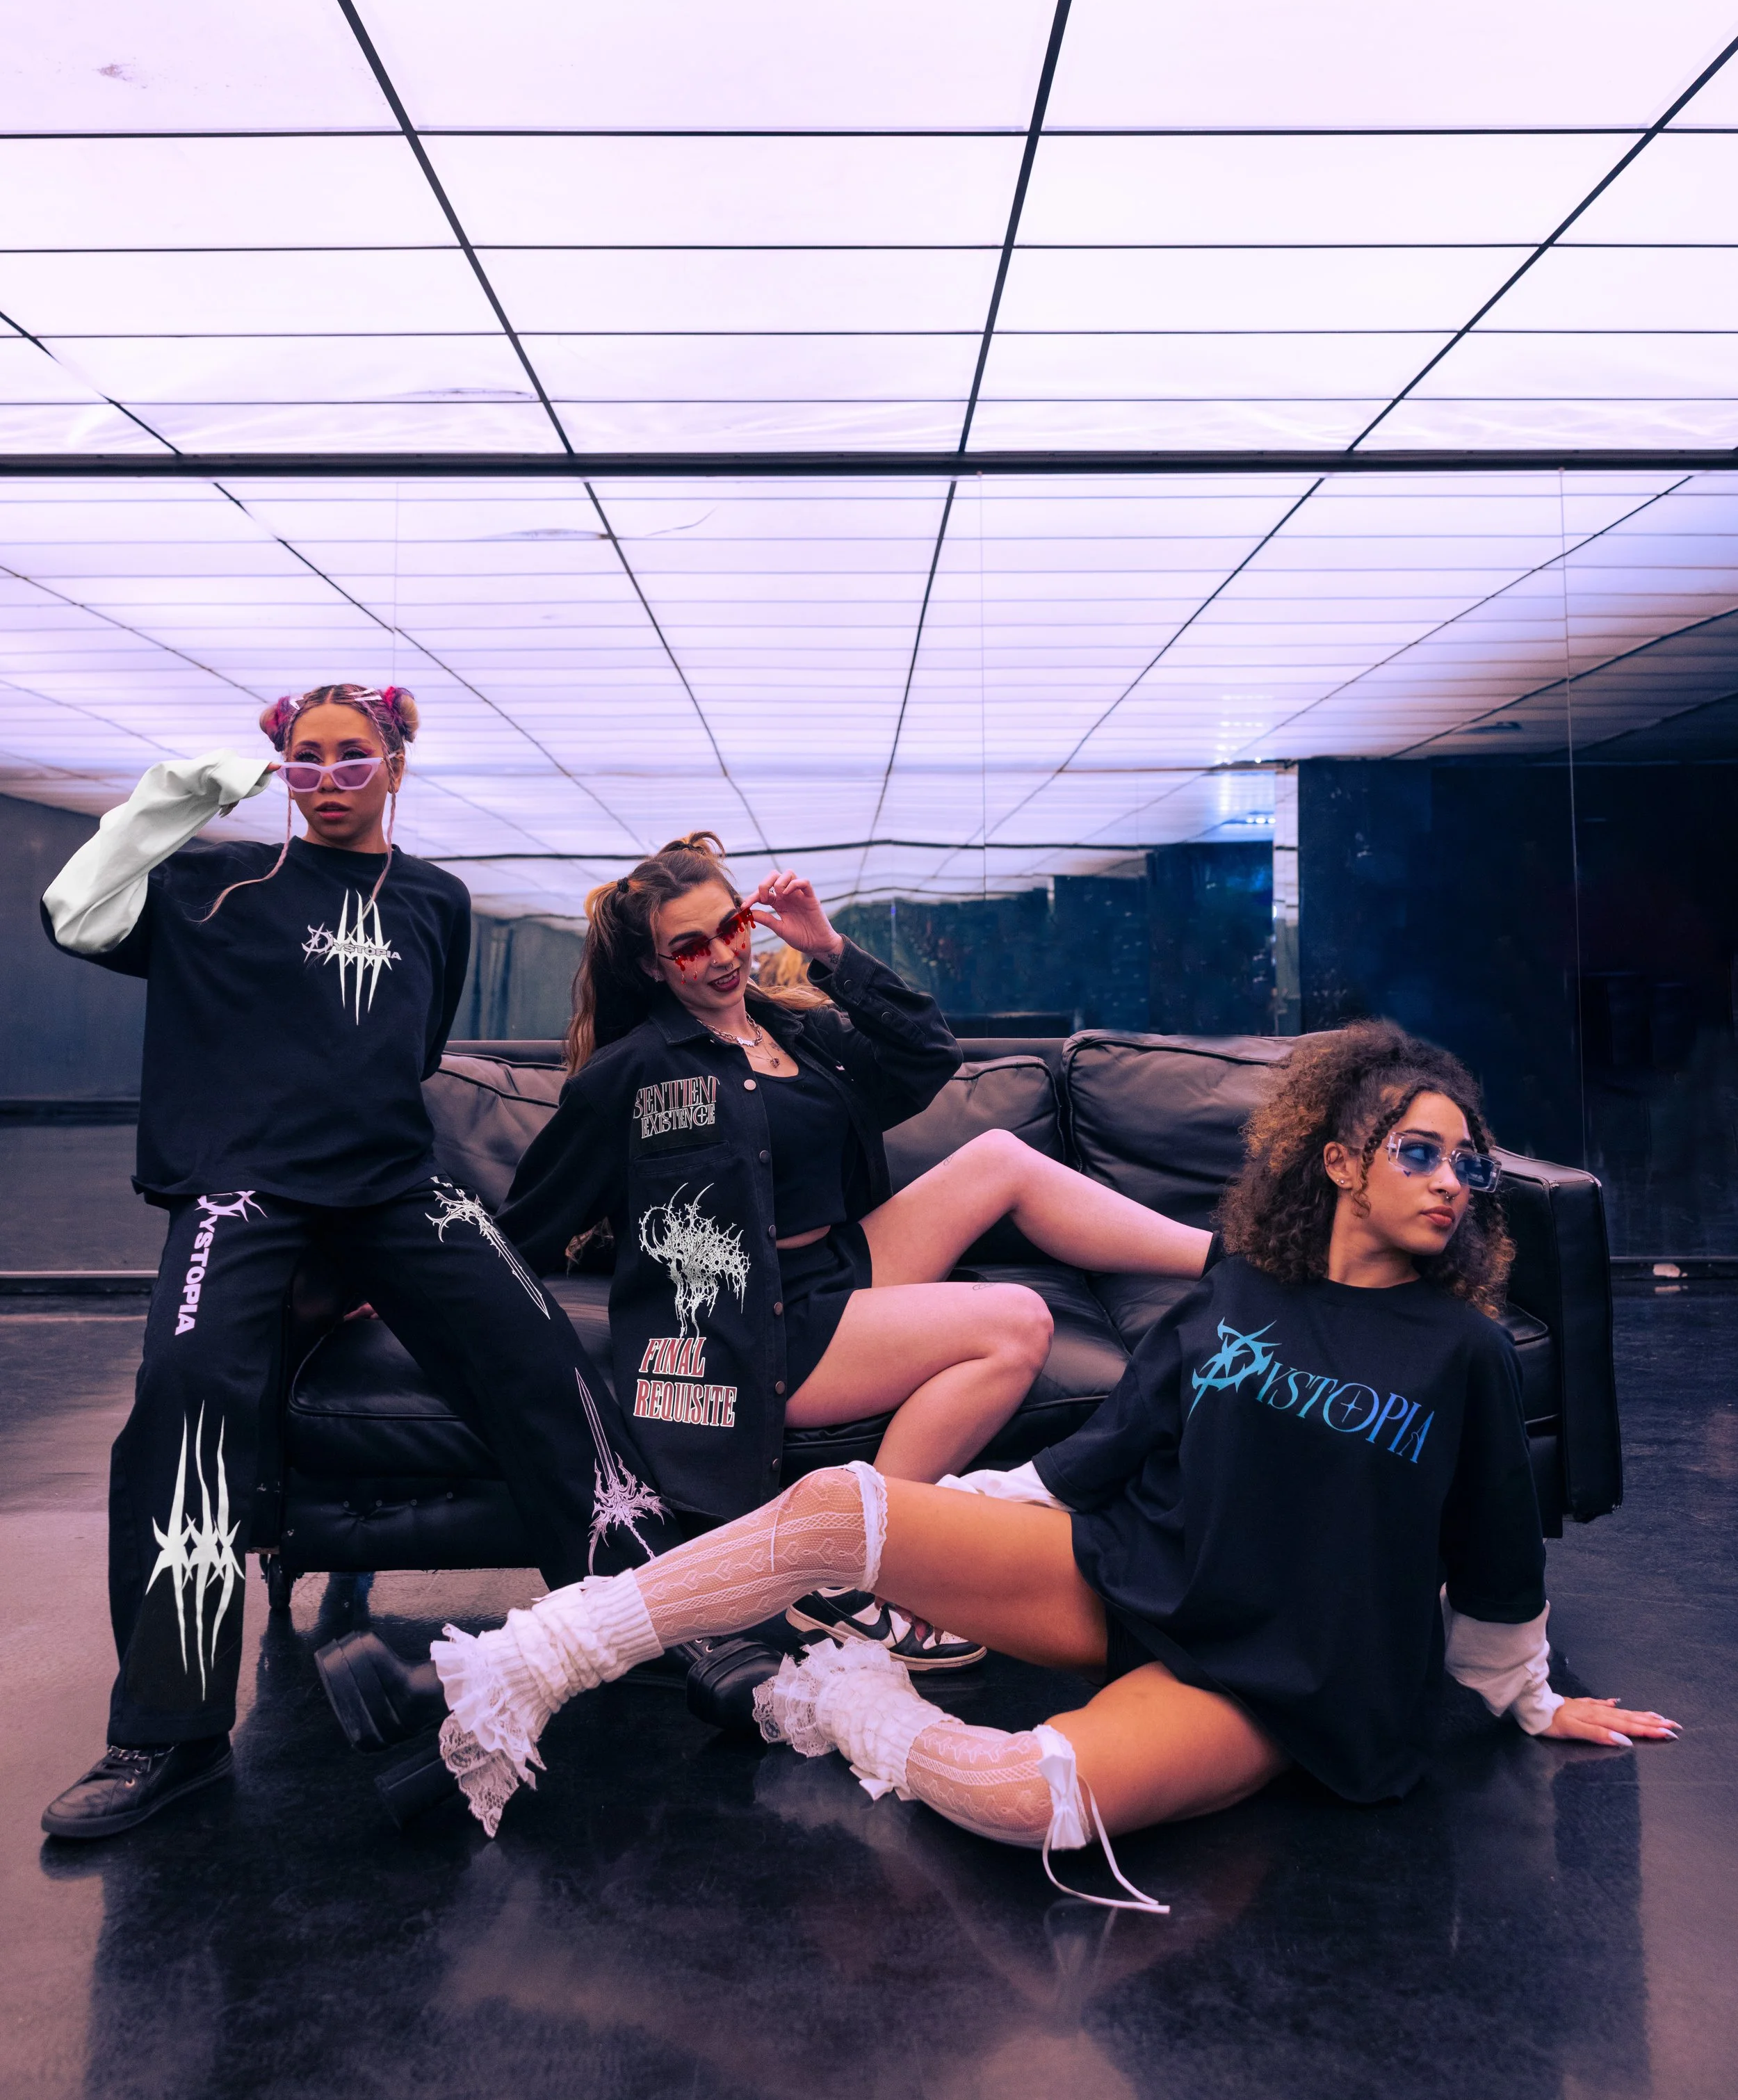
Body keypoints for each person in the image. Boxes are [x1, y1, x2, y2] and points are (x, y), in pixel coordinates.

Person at [334, 1021, 1676, 1893]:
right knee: (836, 1503)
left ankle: (828, 1704)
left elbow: (1498, 1550)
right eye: (1421, 1152)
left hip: (1277, 1670)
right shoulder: (1235, 1296)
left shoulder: (1465, 1352)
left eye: (1471, 1168)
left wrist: (1526, 1692)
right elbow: (1107, 1448)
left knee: (1033, 1794)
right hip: (1125, 1572)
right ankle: (515, 1670)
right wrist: (936, 1528)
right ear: (1339, 1161)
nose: (1453, 1182)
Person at [37, 682, 680, 1841]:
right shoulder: (211, 880)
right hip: (241, 1185)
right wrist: (167, 806)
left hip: (395, 1183)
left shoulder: (435, 898)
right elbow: (74, 917)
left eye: (353, 755)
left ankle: (647, 1623)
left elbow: (410, 1044)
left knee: (538, 1346)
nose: (329, 774)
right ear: (279, 767)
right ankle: (166, 1736)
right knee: (186, 1393)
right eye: (306, 756)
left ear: (394, 764)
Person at [497, 834, 1211, 1665]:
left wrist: (827, 947)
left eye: (733, 926)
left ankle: (1236, 1261)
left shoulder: (795, 1028)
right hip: (760, 1325)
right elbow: (532, 1217)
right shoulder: (633, 1074)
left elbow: (926, 1057)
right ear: (654, 967)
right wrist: (426, 1285)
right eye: (691, 947)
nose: (725, 955)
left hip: (838, 1267)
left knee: (999, 1160)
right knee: (1017, 1321)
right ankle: (861, 1572)